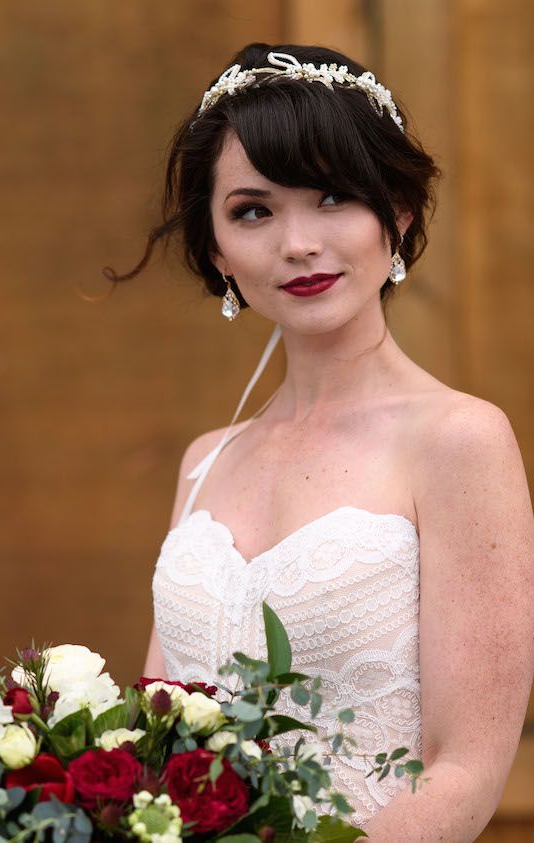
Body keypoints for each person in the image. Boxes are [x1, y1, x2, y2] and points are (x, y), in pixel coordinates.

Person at [104, 43, 534, 841]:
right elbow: (157, 743)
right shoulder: (206, 461)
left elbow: (466, 770)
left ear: (397, 212)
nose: (297, 242)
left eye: (333, 196)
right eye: (253, 210)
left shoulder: (460, 441)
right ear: (215, 249)